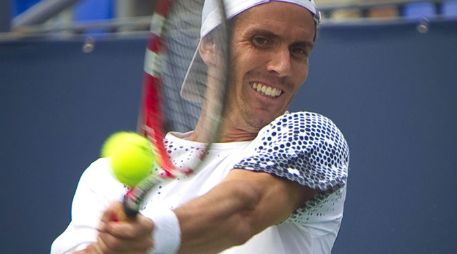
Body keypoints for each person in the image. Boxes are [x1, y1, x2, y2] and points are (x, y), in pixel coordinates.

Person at [51, 0, 350, 253]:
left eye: (299, 50)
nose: (282, 67)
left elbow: (244, 210)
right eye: (261, 40)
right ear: (210, 46)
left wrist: (152, 236)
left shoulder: (313, 139)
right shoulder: (106, 177)